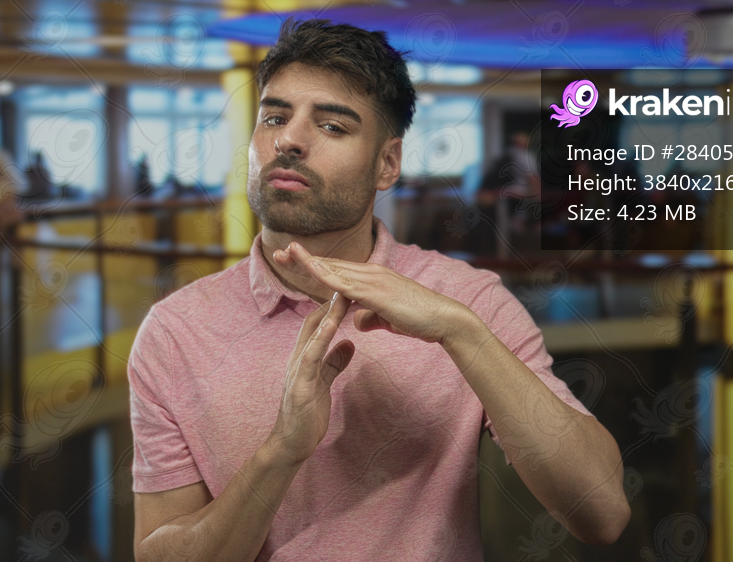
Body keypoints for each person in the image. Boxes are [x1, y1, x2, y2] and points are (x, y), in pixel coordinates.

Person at [129, 19, 630, 562]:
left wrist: (461, 333)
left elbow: (601, 512)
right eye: (274, 117)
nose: (289, 139)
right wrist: (281, 452)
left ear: (387, 164)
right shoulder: (174, 331)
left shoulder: (468, 301)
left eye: (332, 126)